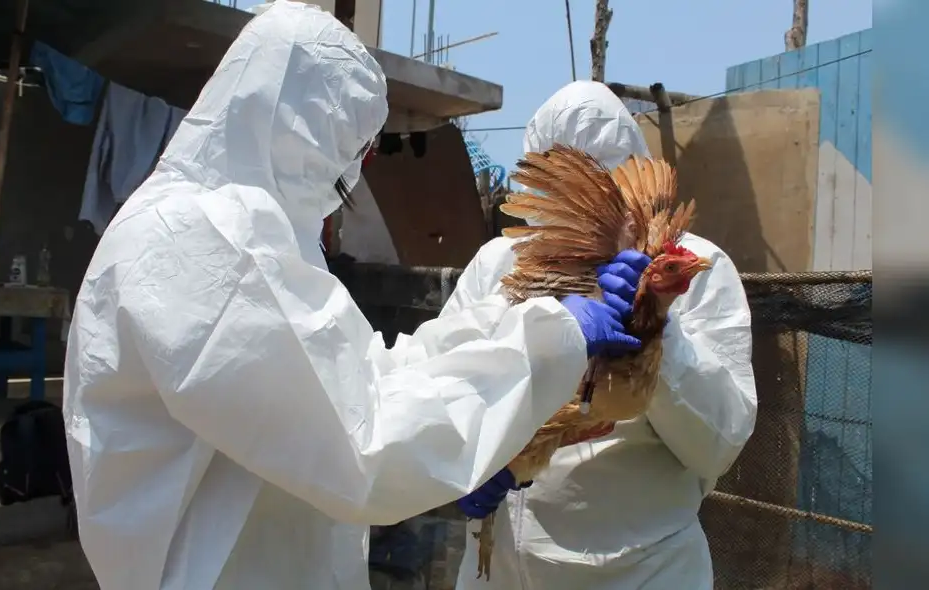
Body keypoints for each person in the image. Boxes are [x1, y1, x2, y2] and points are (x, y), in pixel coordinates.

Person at [61, 5, 644, 590]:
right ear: (298, 121)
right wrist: (551, 339)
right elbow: (363, 441)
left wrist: (508, 331)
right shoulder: (200, 238)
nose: (356, 172)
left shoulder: (247, 232)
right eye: (352, 145)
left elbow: (364, 377)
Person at [450, 81, 758, 589]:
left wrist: (654, 318)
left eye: (596, 193)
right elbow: (451, 382)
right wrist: (460, 465)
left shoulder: (695, 267)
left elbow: (719, 442)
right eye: (563, 190)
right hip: (499, 564)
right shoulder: (497, 266)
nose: (580, 210)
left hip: (642, 572)